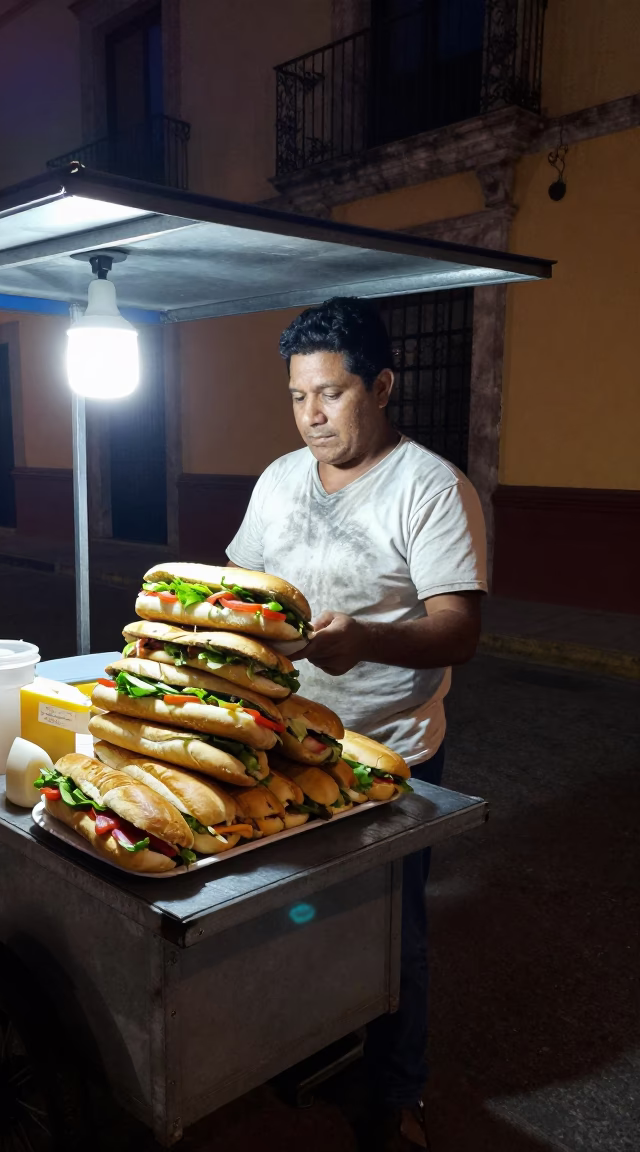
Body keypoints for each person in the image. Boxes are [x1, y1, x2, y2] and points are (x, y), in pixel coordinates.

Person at [226, 296, 487, 1152]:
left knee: (390, 932)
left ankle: (397, 1094)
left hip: (388, 754)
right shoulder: (278, 480)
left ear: (380, 387)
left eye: (331, 394)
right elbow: (241, 586)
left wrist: (367, 638)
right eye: (298, 397)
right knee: (291, 911)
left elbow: (459, 629)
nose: (312, 416)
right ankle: (306, 1045)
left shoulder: (430, 487)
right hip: (278, 740)